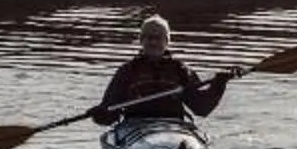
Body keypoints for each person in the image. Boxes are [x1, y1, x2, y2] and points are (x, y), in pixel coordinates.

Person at [89, 14, 231, 126]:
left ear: (166, 42)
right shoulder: (127, 71)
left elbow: (201, 108)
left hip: (173, 128)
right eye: (149, 38)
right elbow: (110, 113)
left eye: (158, 38)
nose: (153, 42)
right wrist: (99, 114)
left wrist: (218, 85)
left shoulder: (180, 70)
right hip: (136, 127)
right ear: (141, 41)